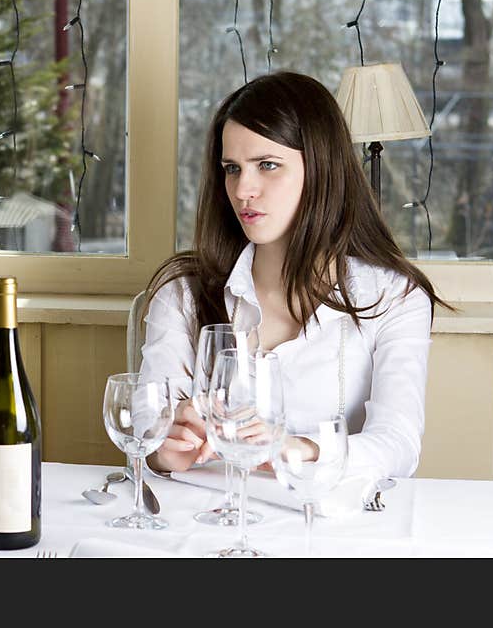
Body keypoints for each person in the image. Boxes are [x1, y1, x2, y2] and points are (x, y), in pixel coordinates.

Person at [141, 71, 449, 479]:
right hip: (208, 526)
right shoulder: (182, 293)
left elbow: (399, 444)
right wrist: (164, 448)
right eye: (232, 168)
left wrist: (300, 448)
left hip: (330, 531)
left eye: (267, 165)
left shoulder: (395, 297)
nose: (242, 190)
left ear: (321, 169)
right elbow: (147, 428)